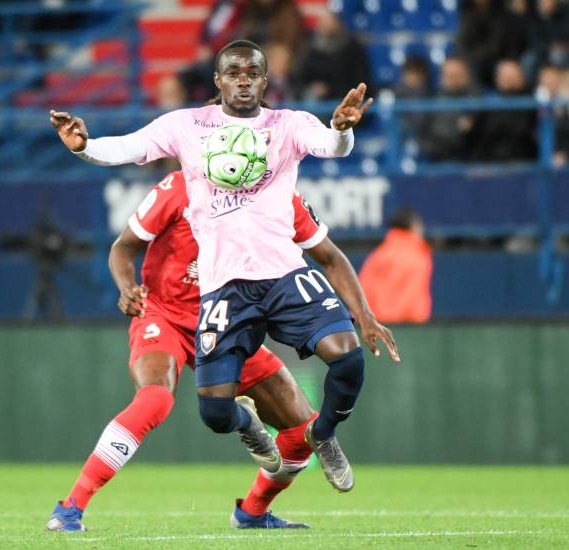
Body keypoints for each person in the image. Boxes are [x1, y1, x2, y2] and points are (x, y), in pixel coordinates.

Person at [51, 39, 399, 494]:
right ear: (218, 81)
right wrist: (85, 147)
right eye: (233, 73)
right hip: (224, 290)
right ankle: (245, 426)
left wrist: (342, 129)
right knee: (215, 413)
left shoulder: (288, 125)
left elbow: (332, 147)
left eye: (252, 73)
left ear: (264, 79)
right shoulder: (186, 129)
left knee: (348, 357)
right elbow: (131, 148)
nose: (243, 80)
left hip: (284, 277)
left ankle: (324, 432)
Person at [47, 170, 395, 531]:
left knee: (301, 432)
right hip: (164, 314)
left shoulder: (276, 193)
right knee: (155, 399)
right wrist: (125, 286)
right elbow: (123, 246)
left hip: (227, 320)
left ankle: (253, 512)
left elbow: (328, 255)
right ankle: (70, 507)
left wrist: (363, 314)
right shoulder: (179, 187)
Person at [359, 208, 432, 324]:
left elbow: (361, 290)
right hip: (408, 327)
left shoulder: (377, 255)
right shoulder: (418, 256)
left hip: (376, 325)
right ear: (413, 226)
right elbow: (411, 294)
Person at [295, 7, 372, 101]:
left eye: (330, 21)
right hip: (315, 101)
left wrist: (331, 90)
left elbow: (360, 79)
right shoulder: (310, 48)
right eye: (323, 22)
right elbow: (300, 78)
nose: (326, 26)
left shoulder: (353, 48)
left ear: (338, 23)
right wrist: (313, 88)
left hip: (343, 98)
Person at [419, 57, 481, 161]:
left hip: (467, 153)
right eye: (448, 75)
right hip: (436, 152)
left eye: (456, 75)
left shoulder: (475, 97)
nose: (452, 78)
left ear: (466, 75)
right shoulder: (433, 97)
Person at [473, 59, 536, 161]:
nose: (509, 80)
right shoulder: (487, 105)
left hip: (523, 161)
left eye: (512, 76)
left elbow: (525, 132)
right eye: (505, 76)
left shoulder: (532, 102)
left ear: (522, 78)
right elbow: (479, 136)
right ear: (497, 79)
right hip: (490, 162)